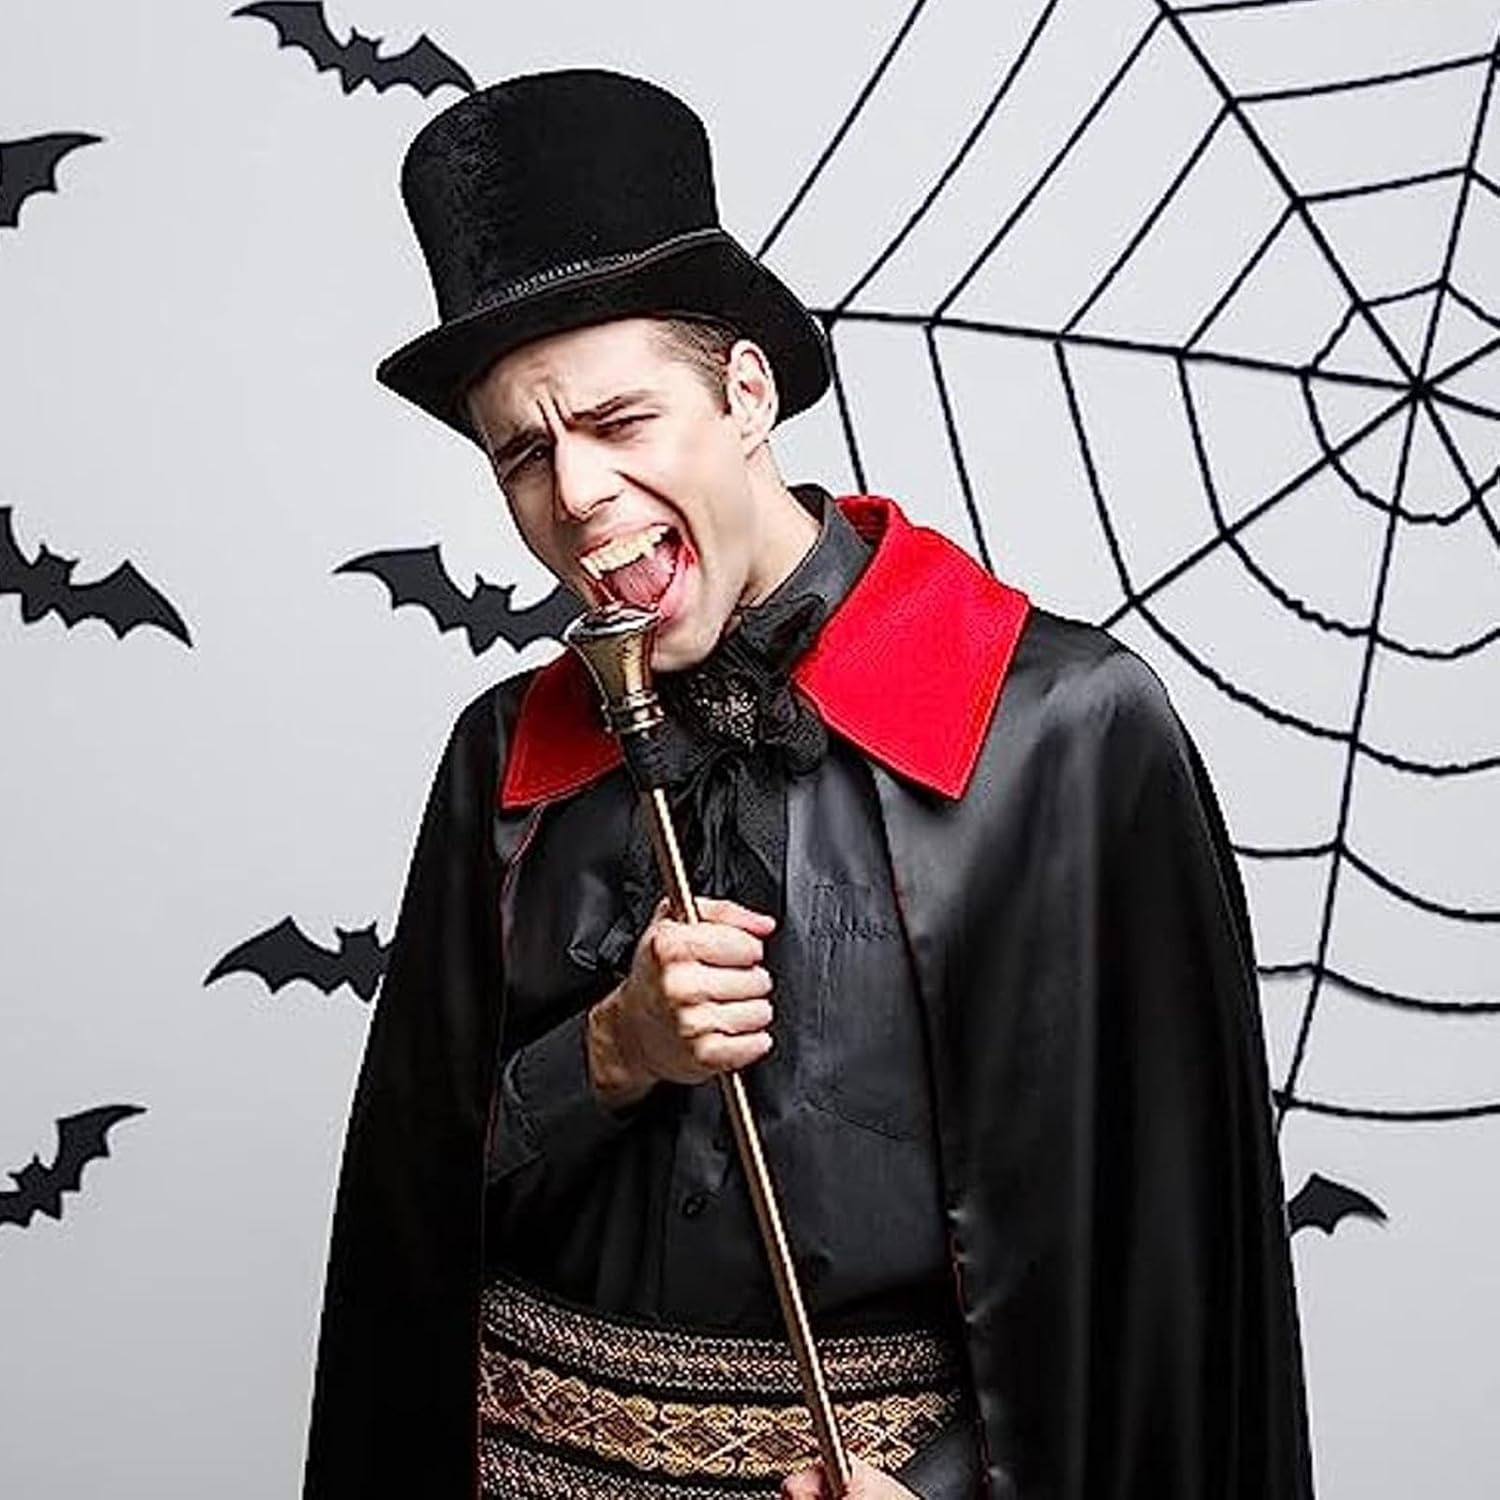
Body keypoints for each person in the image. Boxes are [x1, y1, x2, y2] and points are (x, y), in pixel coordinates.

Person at [301, 68, 1314, 1500]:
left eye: (621, 421)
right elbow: (408, 1229)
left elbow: (1158, 1282)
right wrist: (609, 1053)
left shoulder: (1061, 733)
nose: (576, 495)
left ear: (746, 393)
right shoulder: (503, 760)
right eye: (524, 453)